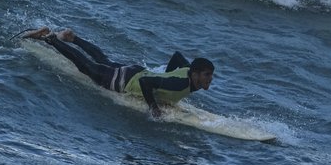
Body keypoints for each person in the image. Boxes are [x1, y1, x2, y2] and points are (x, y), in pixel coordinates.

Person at [24, 27, 214, 119]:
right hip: (127, 81)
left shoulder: (188, 73)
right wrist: (153, 107)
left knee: (104, 61)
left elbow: (178, 57)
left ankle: (73, 38)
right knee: (87, 67)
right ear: (195, 74)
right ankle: (50, 39)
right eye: (206, 75)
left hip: (135, 71)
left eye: (211, 75)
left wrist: (166, 77)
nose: (210, 80)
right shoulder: (180, 84)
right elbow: (146, 83)